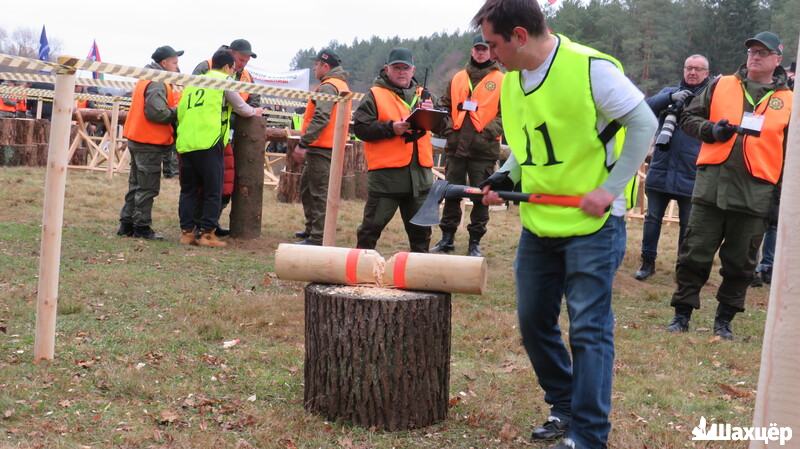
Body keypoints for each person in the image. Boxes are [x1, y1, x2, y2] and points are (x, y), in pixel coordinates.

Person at [473, 0, 657, 447]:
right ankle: (566, 405)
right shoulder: (513, 80)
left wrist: (610, 189)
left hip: (593, 227)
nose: (490, 53)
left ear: (519, 35)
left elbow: (644, 122)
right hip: (540, 224)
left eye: (494, 44)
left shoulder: (589, 68)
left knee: (589, 330)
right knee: (533, 320)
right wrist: (505, 174)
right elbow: (531, 140)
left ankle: (589, 436)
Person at [667, 31, 792, 340]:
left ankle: (724, 322)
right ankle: (681, 315)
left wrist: (778, 205)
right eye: (751, 50)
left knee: (740, 265)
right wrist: (711, 130)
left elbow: (791, 158)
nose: (755, 56)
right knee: (693, 254)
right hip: (711, 189)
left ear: (778, 59)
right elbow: (687, 118)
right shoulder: (720, 84)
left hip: (755, 196)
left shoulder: (790, 102)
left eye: (763, 52)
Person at [353, 47, 440, 253]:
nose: (401, 72)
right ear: (387, 69)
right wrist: (391, 128)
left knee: (422, 235)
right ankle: (357, 273)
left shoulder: (426, 95)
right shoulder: (374, 95)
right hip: (386, 180)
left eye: (405, 68)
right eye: (397, 67)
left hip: (420, 179)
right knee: (370, 231)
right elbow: (360, 128)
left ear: (413, 70)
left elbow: (446, 126)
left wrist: (432, 115)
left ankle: (420, 279)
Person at [634, 55, 710, 280]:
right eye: (689, 68)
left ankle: (683, 268)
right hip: (661, 167)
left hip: (691, 170)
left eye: (698, 69)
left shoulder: (711, 98)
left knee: (688, 226)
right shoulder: (669, 92)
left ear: (706, 73)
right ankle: (647, 263)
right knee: (652, 219)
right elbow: (644, 108)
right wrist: (670, 97)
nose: (692, 72)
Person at [176, 50, 263, 247]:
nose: (233, 72)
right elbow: (241, 107)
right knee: (212, 190)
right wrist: (255, 111)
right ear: (226, 67)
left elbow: (180, 112)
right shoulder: (224, 81)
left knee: (188, 190)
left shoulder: (193, 83)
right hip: (209, 141)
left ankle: (187, 233)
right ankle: (207, 234)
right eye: (233, 68)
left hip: (187, 142)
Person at [431, 35, 504, 258]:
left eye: (484, 49)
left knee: (481, 196)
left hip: (483, 151)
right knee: (451, 194)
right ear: (472, 51)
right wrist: (449, 130)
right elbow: (444, 107)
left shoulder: (502, 79)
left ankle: (475, 242)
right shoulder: (458, 78)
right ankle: (447, 238)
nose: (481, 52)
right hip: (456, 148)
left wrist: (487, 133)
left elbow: (508, 115)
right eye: (477, 49)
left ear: (490, 52)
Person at [117, 45, 183, 240]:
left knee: (136, 185)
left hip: (138, 138)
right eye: (174, 62)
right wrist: (177, 111)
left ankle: (127, 224)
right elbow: (157, 112)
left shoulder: (147, 76)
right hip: (149, 141)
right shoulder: (157, 81)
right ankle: (142, 227)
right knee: (147, 188)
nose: (177, 66)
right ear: (164, 63)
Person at [292, 49, 350, 245]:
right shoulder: (338, 85)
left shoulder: (328, 87)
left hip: (322, 147)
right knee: (308, 189)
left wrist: (303, 142)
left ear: (325, 66)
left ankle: (318, 237)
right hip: (324, 146)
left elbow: (321, 117)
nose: (314, 68)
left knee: (319, 193)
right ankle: (312, 229)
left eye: (316, 65)